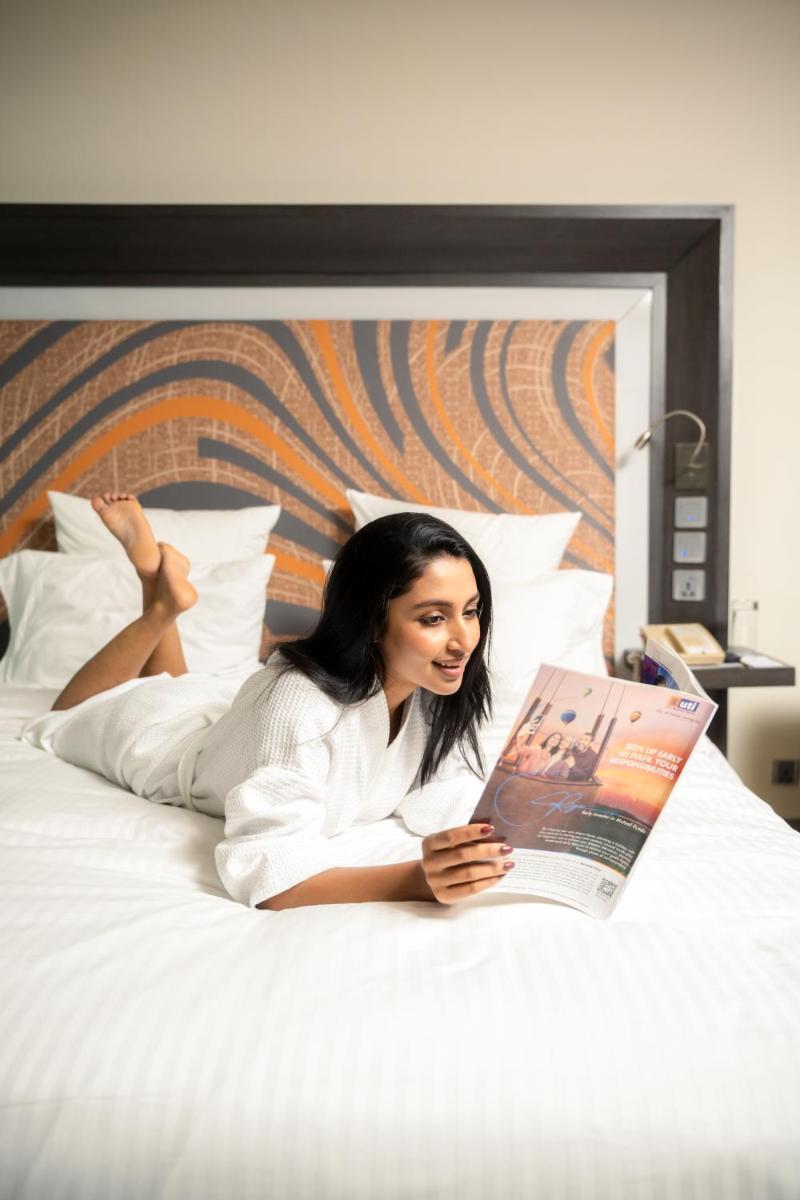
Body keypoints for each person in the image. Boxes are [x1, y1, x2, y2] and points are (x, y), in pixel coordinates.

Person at [23, 494, 517, 910]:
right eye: (433, 618)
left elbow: (443, 790)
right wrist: (417, 881)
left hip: (225, 725)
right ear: (371, 621)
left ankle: (164, 594)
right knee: (66, 713)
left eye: (471, 612)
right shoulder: (297, 706)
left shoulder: (432, 687)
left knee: (177, 682)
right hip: (164, 745)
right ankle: (160, 607)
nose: (464, 641)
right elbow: (268, 874)